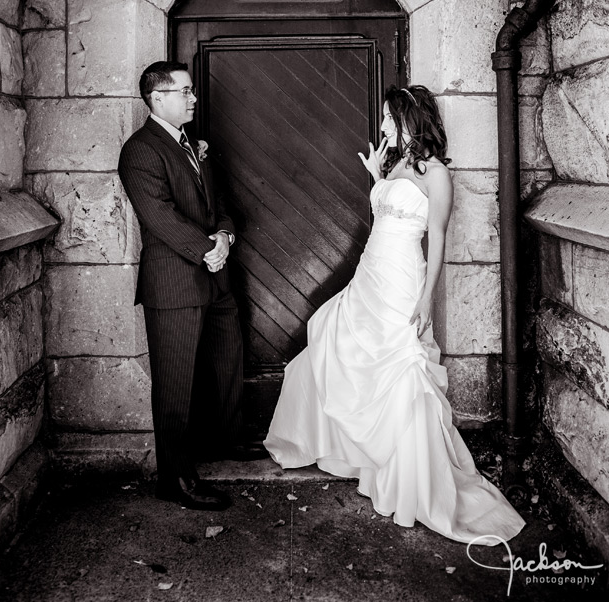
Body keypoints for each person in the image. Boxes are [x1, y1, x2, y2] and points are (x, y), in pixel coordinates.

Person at [264, 84, 525, 545]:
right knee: (332, 336)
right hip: (370, 274)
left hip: (403, 277)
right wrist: (375, 176)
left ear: (409, 118)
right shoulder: (397, 163)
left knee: (401, 368)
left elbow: (437, 239)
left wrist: (427, 299)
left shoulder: (436, 173)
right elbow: (387, 211)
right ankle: (362, 452)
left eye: (388, 117)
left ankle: (411, 483)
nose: (382, 125)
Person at [118, 61, 251, 512]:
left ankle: (226, 441)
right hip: (174, 284)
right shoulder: (140, 150)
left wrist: (226, 235)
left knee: (226, 360)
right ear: (158, 98)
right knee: (174, 384)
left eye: (192, 91)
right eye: (186, 91)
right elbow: (158, 216)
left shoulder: (193, 145)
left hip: (216, 277)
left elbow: (220, 205)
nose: (194, 98)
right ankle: (175, 479)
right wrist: (207, 250)